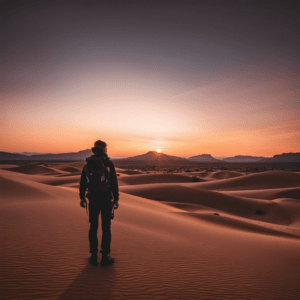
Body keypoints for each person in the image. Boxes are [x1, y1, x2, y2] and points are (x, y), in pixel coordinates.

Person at [79, 140, 119, 266]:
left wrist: (82, 198)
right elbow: (113, 183)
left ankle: (94, 256)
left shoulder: (88, 163)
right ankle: (105, 256)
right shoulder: (108, 163)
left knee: (93, 227)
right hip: (106, 199)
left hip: (93, 199)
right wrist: (116, 199)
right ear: (104, 149)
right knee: (106, 228)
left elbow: (82, 183)